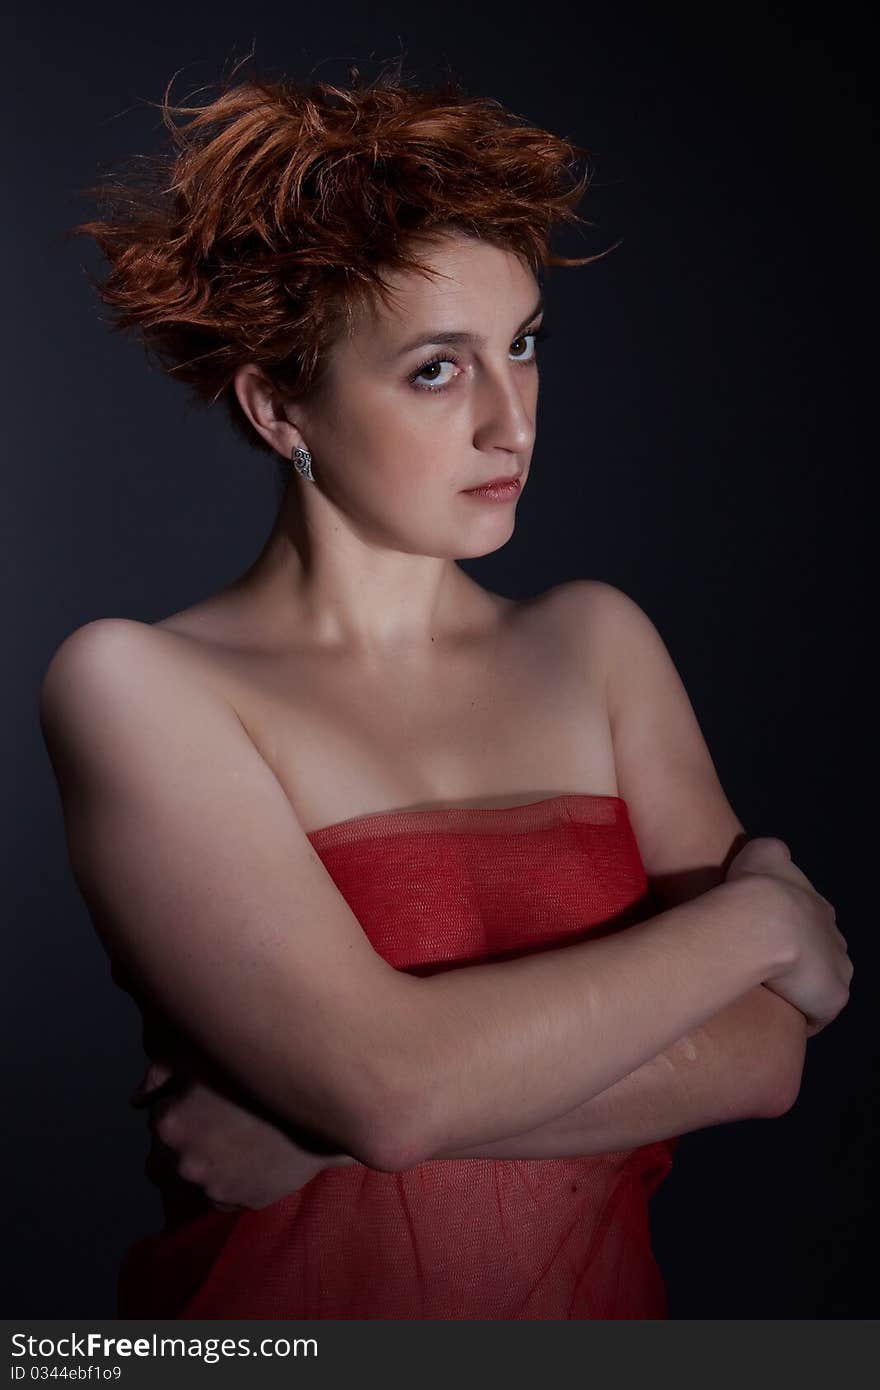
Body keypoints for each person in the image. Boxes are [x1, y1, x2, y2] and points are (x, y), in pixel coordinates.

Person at [39, 61, 851, 1320]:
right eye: (434, 368)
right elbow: (391, 1091)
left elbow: (763, 1056)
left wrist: (317, 1127)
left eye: (520, 347)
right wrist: (759, 925)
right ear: (278, 407)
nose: (509, 422)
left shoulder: (596, 644)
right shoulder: (140, 685)